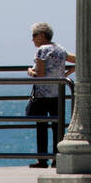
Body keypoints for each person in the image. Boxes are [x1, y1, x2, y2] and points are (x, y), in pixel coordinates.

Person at [26, 22, 75, 169]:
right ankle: (57, 158)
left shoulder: (42, 50)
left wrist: (29, 71)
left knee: (41, 126)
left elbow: (39, 75)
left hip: (42, 95)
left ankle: (42, 159)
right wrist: (65, 75)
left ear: (42, 35)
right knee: (57, 127)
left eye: (34, 35)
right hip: (57, 93)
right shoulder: (60, 49)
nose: (32, 39)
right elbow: (78, 60)